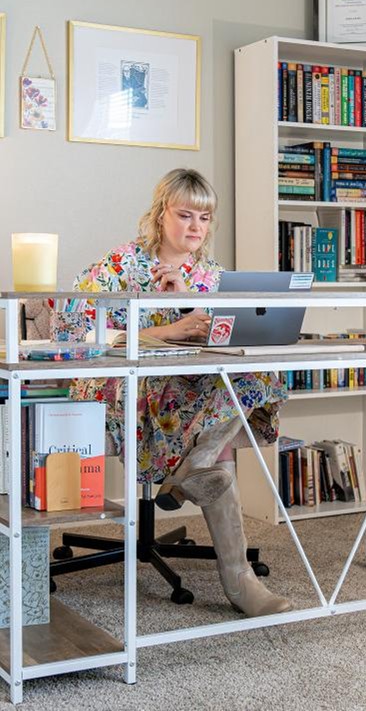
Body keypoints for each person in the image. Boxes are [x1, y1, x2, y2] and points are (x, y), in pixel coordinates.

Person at [71, 168, 291, 617]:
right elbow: (76, 329)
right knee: (218, 416)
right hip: (129, 379)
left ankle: (193, 472)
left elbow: (224, 337)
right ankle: (237, 579)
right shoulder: (121, 264)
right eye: (185, 214)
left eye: (205, 218)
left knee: (253, 378)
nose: (195, 227)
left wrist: (192, 301)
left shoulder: (212, 276)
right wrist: (169, 329)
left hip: (194, 387)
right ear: (160, 215)